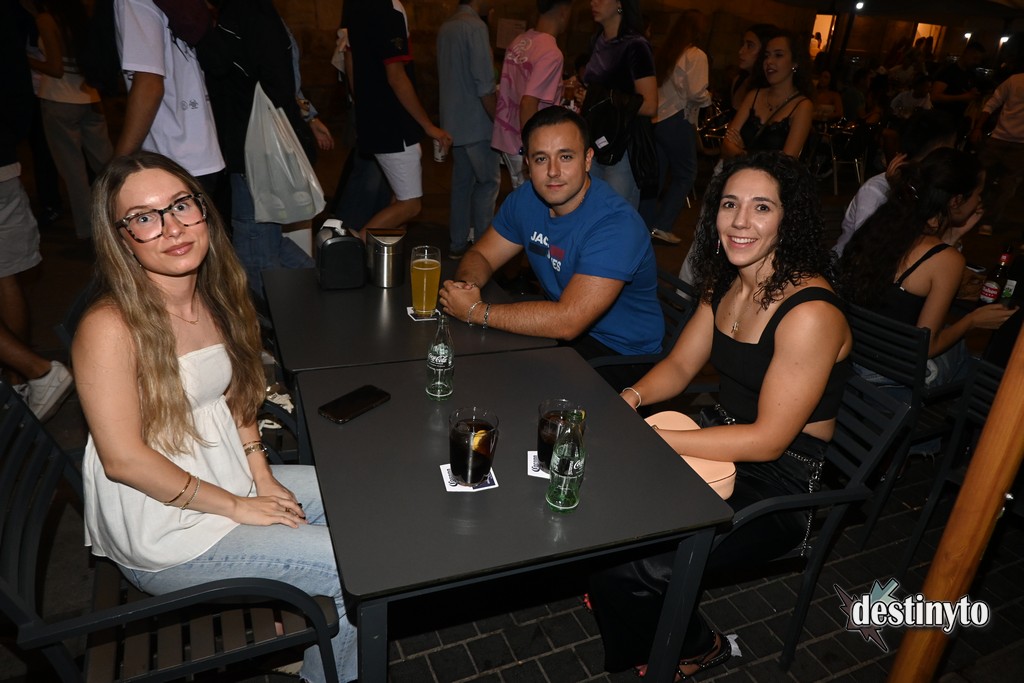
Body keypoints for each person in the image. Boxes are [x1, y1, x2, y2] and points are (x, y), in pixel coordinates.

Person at [72, 151, 357, 683]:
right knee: (352, 572)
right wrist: (238, 507)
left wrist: (262, 477)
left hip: (223, 480)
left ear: (203, 210)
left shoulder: (214, 293)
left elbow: (236, 397)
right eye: (144, 217)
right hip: (166, 530)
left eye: (181, 205)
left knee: (355, 499)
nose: (172, 228)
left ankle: (306, 635)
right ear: (122, 239)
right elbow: (123, 460)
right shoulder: (109, 327)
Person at [588, 151, 852, 678]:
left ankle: (700, 647)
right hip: (719, 438)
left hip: (780, 480)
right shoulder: (727, 282)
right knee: (600, 508)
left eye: (761, 207)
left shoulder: (810, 314)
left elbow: (769, 441)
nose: (740, 221)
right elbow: (680, 366)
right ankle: (626, 598)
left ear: (789, 219)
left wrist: (655, 441)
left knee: (634, 560)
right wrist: (630, 399)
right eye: (730, 204)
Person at [438, 106, 663, 387]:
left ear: (588, 159)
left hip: (621, 355)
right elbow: (482, 254)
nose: (553, 172)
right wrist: (467, 287)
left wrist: (475, 311)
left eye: (565, 157)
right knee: (470, 363)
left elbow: (568, 321)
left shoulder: (615, 225)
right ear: (527, 164)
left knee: (503, 383)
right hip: (564, 335)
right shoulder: (526, 200)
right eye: (541, 158)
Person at [837, 148, 1016, 390]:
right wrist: (972, 321)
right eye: (978, 194)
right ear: (956, 200)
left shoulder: (883, 223)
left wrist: (951, 237)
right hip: (886, 373)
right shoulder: (945, 259)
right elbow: (927, 347)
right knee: (967, 356)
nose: (979, 202)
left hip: (848, 352)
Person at [197, 0, 316, 300]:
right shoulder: (264, 12)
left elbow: (214, 60)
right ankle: (324, 294)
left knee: (254, 253)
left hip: (253, 151)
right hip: (267, 146)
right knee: (269, 239)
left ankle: (281, 323)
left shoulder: (240, 13)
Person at [2, 1, 75, 422]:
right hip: (4, 158)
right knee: (6, 274)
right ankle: (18, 382)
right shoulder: (11, 17)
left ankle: (34, 370)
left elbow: (51, 67)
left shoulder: (39, 18)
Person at [342, 0, 452, 236]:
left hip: (375, 116)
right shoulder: (390, 10)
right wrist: (428, 126)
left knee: (399, 198)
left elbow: (349, 58)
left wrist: (363, 102)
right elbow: (396, 77)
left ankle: (385, 257)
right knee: (410, 205)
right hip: (394, 122)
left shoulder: (356, 7)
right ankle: (354, 248)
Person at [24, 0, 114, 241]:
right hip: (89, 96)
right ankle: (122, 213)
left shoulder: (47, 20)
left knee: (73, 172)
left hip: (59, 98)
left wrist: (24, 59)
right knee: (107, 165)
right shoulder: (81, 17)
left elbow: (55, 68)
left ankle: (88, 229)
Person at [113, 0, 224, 191]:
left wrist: (118, 164)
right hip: (202, 149)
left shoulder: (134, 2)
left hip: (167, 156)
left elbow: (149, 86)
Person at [835, 108, 956, 256]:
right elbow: (869, 249)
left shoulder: (932, 186)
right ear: (936, 150)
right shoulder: (877, 189)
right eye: (950, 150)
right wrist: (898, 194)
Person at [639, 9, 710, 245]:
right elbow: (696, 92)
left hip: (658, 118)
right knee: (686, 173)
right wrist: (708, 98)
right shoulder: (696, 55)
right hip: (678, 118)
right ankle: (662, 225)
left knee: (657, 175)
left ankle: (643, 223)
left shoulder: (669, 53)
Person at [437, 0, 500, 260]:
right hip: (477, 123)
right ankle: (482, 249)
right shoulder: (475, 27)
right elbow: (485, 84)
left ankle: (458, 242)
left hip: (453, 123)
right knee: (488, 183)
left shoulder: (446, 27)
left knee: (462, 184)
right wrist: (498, 120)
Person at [581, 0, 657, 209]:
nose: (593, 2)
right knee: (590, 207)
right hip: (595, 138)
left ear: (620, 3)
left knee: (614, 213)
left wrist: (603, 100)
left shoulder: (635, 45)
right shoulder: (598, 40)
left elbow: (650, 105)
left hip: (623, 144)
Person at [491, 0, 572, 190]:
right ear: (563, 11)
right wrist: (533, 150)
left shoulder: (519, 41)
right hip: (526, 143)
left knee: (522, 196)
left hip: (507, 137)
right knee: (533, 201)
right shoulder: (551, 53)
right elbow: (528, 102)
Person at [722, 30, 813, 160]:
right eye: (766, 56)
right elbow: (727, 144)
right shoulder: (753, 95)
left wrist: (743, 152)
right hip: (737, 171)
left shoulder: (802, 106)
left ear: (795, 62)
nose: (769, 61)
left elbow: (786, 161)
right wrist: (744, 154)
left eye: (778, 55)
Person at [968, 67, 1024, 236]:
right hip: (1003, 141)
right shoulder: (1015, 80)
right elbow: (993, 102)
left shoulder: (1014, 79)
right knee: (988, 181)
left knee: (1000, 185)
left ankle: (983, 218)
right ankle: (979, 217)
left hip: (1008, 142)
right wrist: (978, 127)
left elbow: (992, 102)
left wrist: (978, 127)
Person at [931, 41, 985, 141]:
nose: (977, 62)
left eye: (979, 60)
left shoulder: (971, 74)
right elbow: (935, 96)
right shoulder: (949, 71)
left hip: (957, 121)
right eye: (975, 58)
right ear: (966, 53)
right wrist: (963, 97)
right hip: (941, 119)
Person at [728, 24, 777, 113]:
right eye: (743, 44)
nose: (741, 51)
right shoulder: (739, 80)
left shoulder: (770, 91)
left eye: (750, 46)